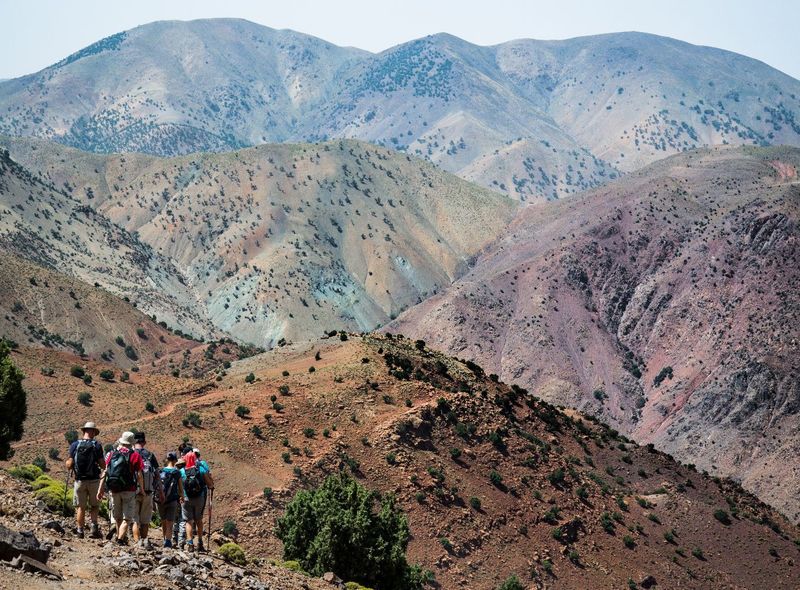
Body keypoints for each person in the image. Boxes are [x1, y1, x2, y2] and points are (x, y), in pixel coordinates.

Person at [98, 431, 144, 546]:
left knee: (117, 517)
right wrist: (142, 489)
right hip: (129, 489)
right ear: (132, 443)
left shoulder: (111, 453)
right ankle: (119, 539)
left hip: (114, 489)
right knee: (127, 518)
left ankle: (120, 537)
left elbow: (105, 471)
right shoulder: (135, 455)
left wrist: (100, 488)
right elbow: (139, 475)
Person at [65, 422, 105, 539]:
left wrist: (69, 465)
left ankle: (80, 531)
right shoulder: (96, 445)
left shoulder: (75, 445)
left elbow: (70, 463)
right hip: (93, 480)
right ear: (92, 432)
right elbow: (102, 464)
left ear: (84, 431)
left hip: (79, 481)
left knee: (80, 507)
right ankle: (93, 529)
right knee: (94, 505)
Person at [132, 432, 163, 548]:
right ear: (144, 442)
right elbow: (157, 475)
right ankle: (144, 541)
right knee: (145, 520)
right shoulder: (150, 455)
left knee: (135, 519)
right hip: (148, 491)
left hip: (133, 491)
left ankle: (136, 542)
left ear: (134, 442)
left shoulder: (131, 454)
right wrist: (160, 491)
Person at [180, 452, 214, 552]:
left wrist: (181, 496)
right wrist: (211, 486)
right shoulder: (201, 469)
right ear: (195, 459)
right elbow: (209, 484)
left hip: (186, 498)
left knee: (188, 521)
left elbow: (180, 486)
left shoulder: (182, 471)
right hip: (199, 498)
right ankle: (200, 542)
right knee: (198, 520)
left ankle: (190, 543)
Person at [157, 452, 183, 548]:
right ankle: (168, 541)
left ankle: (164, 538)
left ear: (167, 459)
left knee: (163, 520)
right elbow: (180, 487)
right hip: (172, 500)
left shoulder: (160, 471)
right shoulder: (176, 472)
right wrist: (182, 496)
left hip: (161, 500)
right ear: (175, 460)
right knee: (170, 521)